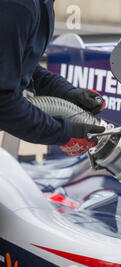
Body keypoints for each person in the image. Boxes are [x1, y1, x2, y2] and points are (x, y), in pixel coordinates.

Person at [0, 0, 105, 156]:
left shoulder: (39, 5)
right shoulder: (17, 6)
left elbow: (21, 63)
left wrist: (66, 93)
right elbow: (3, 102)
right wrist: (64, 133)